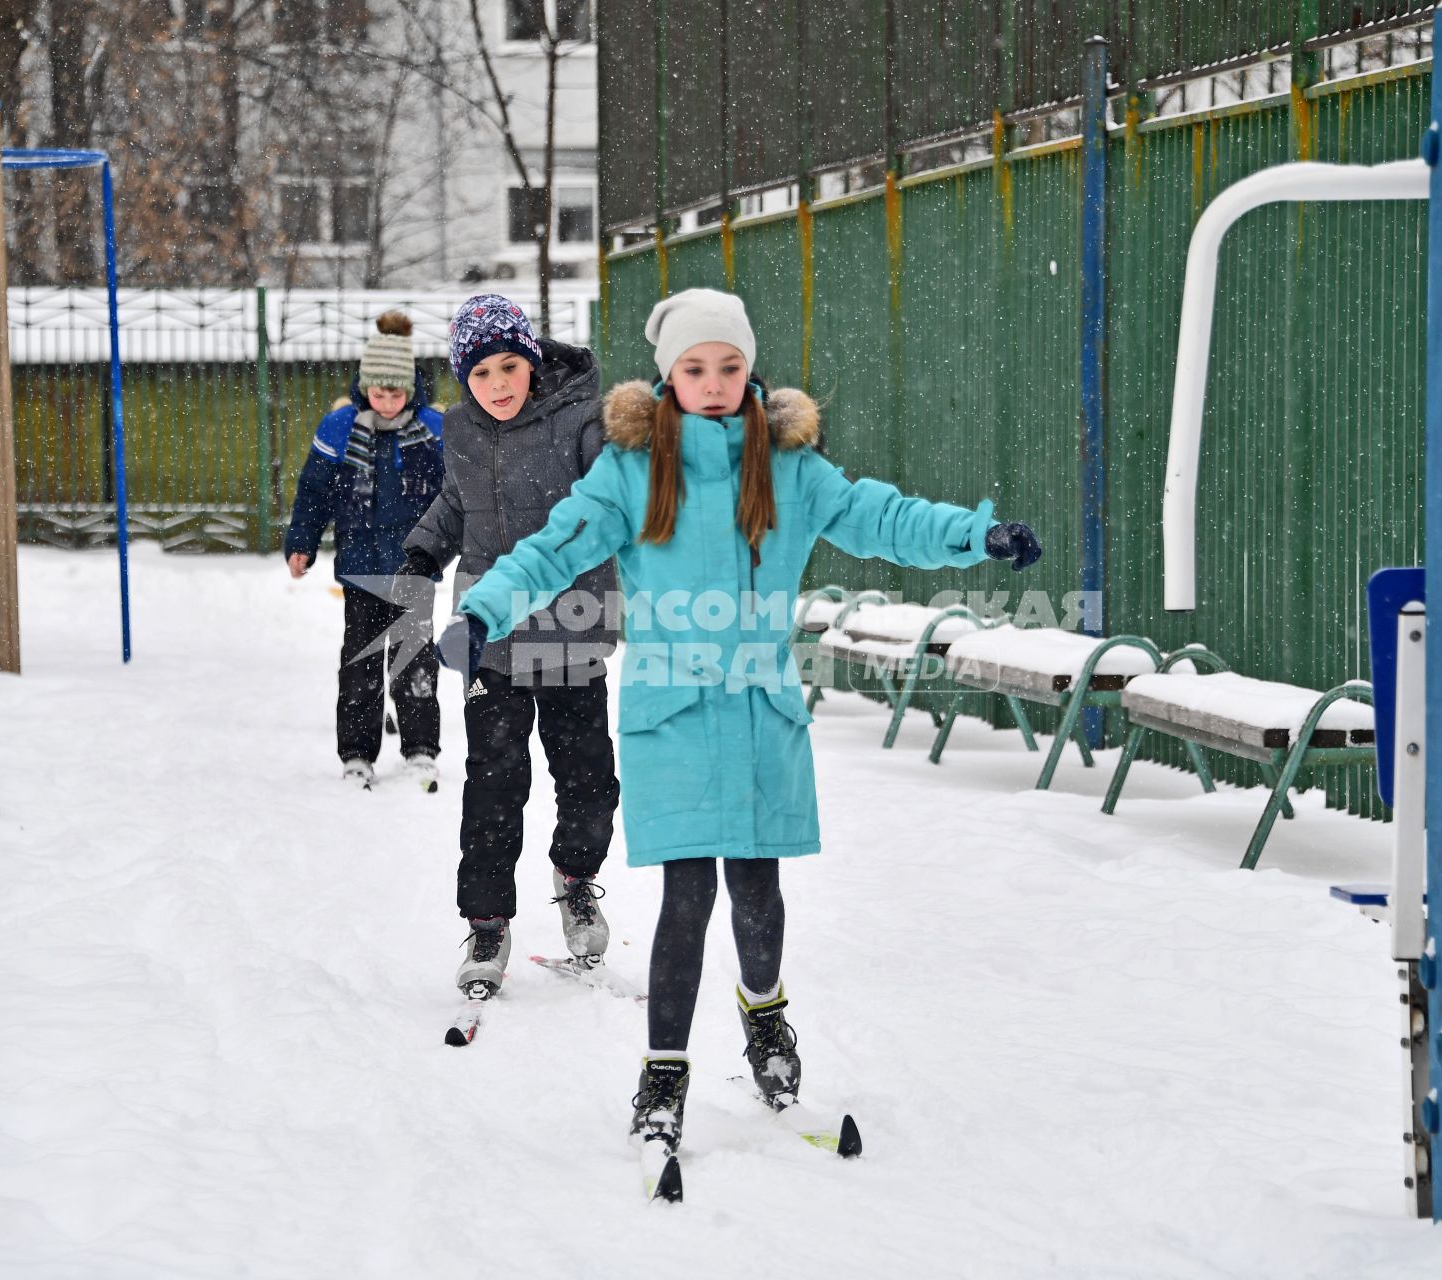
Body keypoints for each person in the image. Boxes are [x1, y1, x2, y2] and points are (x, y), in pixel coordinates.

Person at [452, 288, 1043, 1154]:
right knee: (688, 897)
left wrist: (973, 537)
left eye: (729, 365)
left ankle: (765, 1026)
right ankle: (662, 1075)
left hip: (761, 713)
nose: (715, 382)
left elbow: (883, 516)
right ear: (669, 376)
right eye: (695, 368)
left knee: (758, 889)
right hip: (673, 715)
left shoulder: (791, 465)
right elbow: (552, 547)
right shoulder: (630, 468)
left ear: (748, 368)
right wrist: (484, 611)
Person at [402, 294, 622, 991]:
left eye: (508, 366)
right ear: (463, 381)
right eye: (480, 373)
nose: (497, 384)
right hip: (490, 638)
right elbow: (457, 502)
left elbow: (622, 491)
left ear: (530, 362)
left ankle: (577, 875)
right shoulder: (461, 430)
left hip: (572, 628)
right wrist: (421, 553)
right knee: (495, 786)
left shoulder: (583, 421)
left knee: (589, 780)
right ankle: (488, 924)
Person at [285, 310, 445, 792]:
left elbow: (458, 494)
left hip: (414, 566)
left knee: (414, 659)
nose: (389, 401)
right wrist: (302, 544)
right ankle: (357, 753)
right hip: (358, 566)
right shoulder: (339, 429)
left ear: (412, 389)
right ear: (364, 386)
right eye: (379, 391)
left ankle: (420, 749)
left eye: (397, 392)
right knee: (360, 663)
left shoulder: (434, 430)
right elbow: (314, 492)